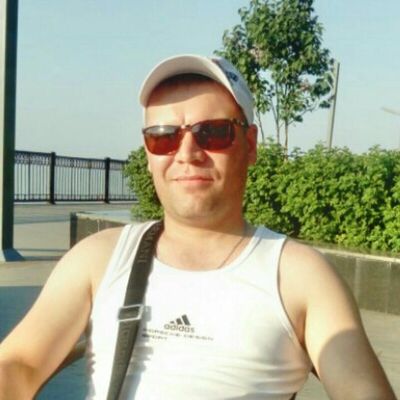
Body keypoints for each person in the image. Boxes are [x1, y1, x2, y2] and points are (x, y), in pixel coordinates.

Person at [0, 54, 396, 400]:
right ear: (148, 154)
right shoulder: (99, 257)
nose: (187, 153)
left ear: (250, 144)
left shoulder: (298, 275)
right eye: (163, 137)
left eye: (213, 133)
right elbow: (19, 363)